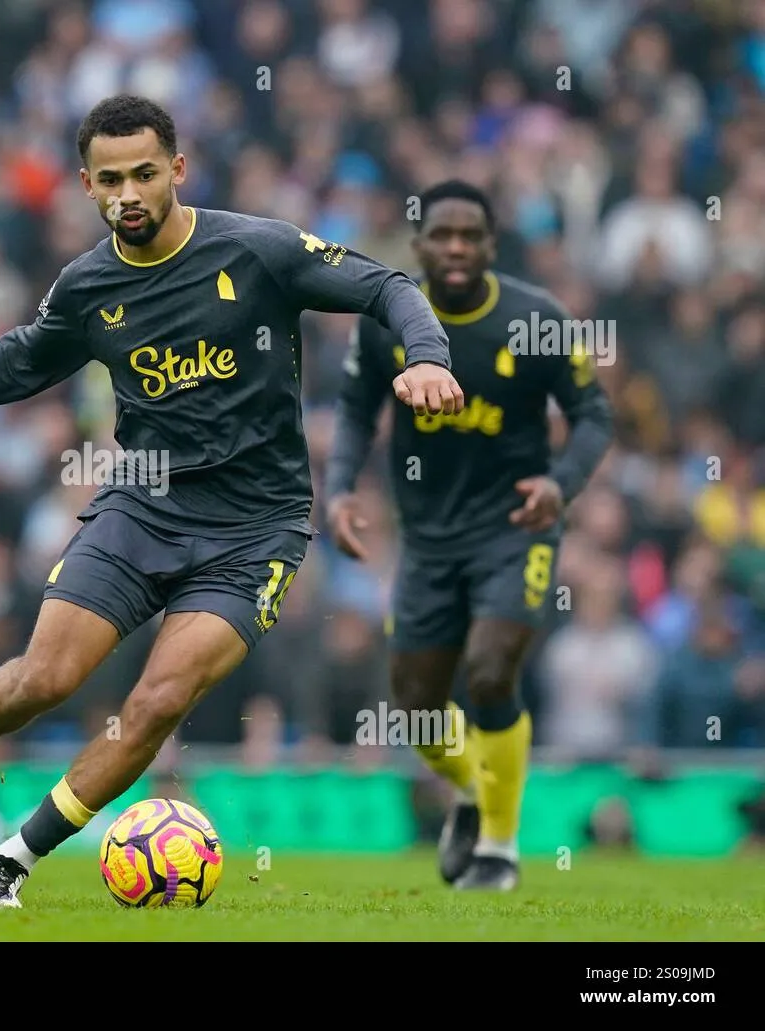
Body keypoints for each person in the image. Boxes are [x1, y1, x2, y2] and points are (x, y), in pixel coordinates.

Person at [0, 94, 463, 908]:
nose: (128, 193)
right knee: (44, 677)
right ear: (86, 186)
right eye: (110, 180)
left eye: (144, 173)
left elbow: (387, 285)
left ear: (177, 169)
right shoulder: (90, 284)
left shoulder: (258, 250)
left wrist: (427, 355)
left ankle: (13, 860)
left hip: (256, 532)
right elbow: (25, 359)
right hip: (141, 510)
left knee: (157, 700)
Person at [325, 180, 613, 890]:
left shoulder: (536, 319)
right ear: (418, 244)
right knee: (418, 711)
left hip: (515, 526)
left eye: (470, 236)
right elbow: (356, 410)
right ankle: (474, 794)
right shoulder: (387, 317)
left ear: (491, 244)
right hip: (425, 538)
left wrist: (560, 483)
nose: (456, 248)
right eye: (442, 235)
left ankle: (499, 850)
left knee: (488, 672)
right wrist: (336, 491)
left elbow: (594, 413)